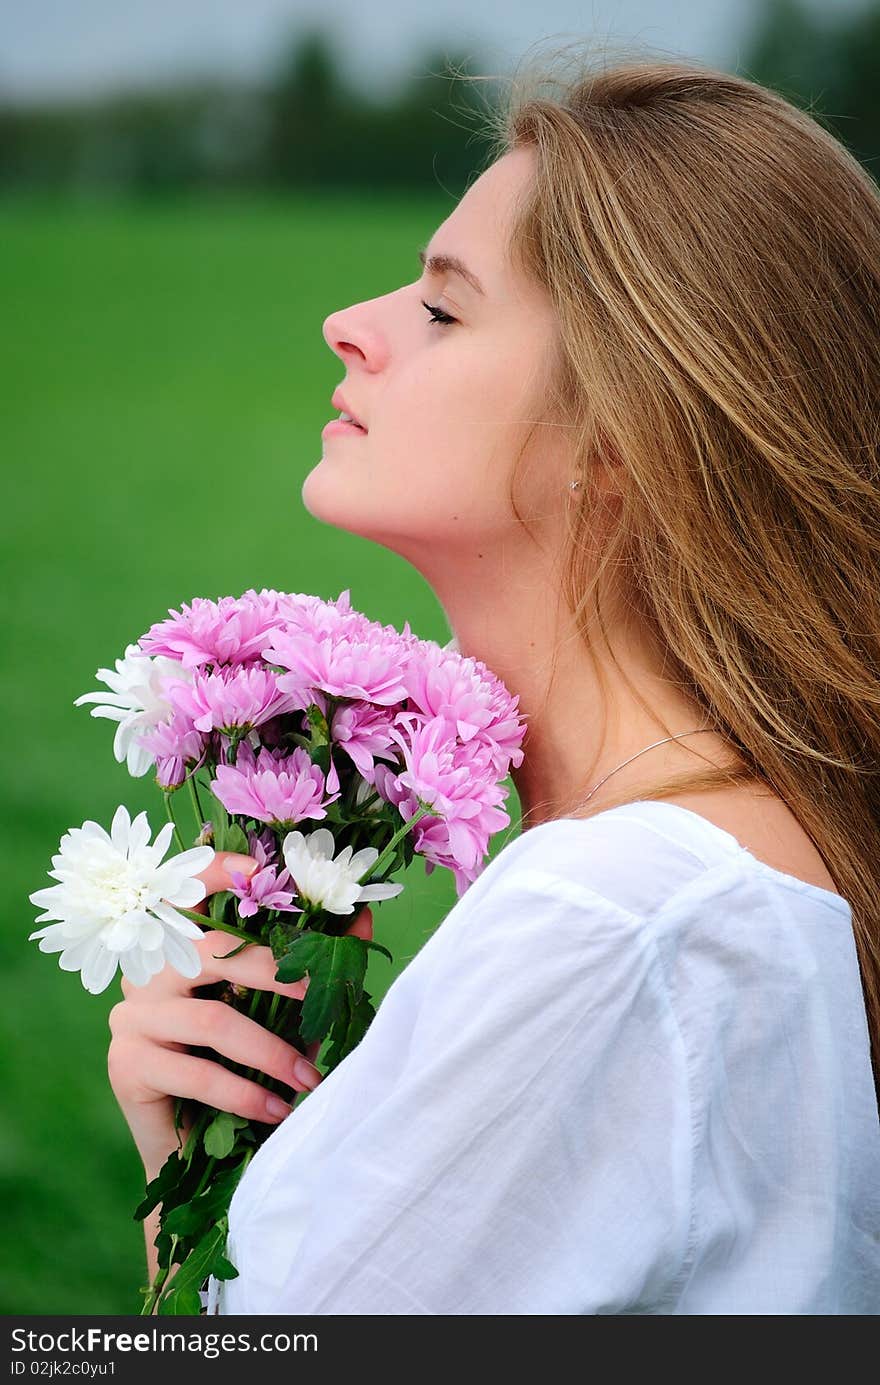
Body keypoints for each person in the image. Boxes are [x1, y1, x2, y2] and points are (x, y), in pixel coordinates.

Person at [107, 47, 880, 1314]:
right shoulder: (700, 866)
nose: (346, 324)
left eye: (443, 306)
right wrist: (205, 1163)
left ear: (622, 439)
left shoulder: (611, 923)